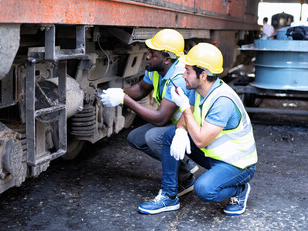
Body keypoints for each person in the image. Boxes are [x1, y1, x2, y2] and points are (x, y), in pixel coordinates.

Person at [138, 43, 258, 216]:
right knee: (171, 134)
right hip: (214, 155)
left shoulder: (222, 101)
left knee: (204, 190)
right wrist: (179, 132)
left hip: (237, 164)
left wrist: (185, 107)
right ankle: (169, 195)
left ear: (202, 75)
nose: (183, 75)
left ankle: (239, 189)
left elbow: (201, 139)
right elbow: (183, 122)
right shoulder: (199, 90)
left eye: (187, 71)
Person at [100, 29, 198, 196]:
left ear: (167, 59)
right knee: (135, 138)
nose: (147, 56)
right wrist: (116, 91)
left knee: (154, 137)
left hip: (193, 126)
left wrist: (124, 100)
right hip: (176, 122)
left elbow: (160, 119)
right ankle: (183, 162)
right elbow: (140, 89)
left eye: (153, 54)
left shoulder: (179, 78)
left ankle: (185, 179)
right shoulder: (157, 69)